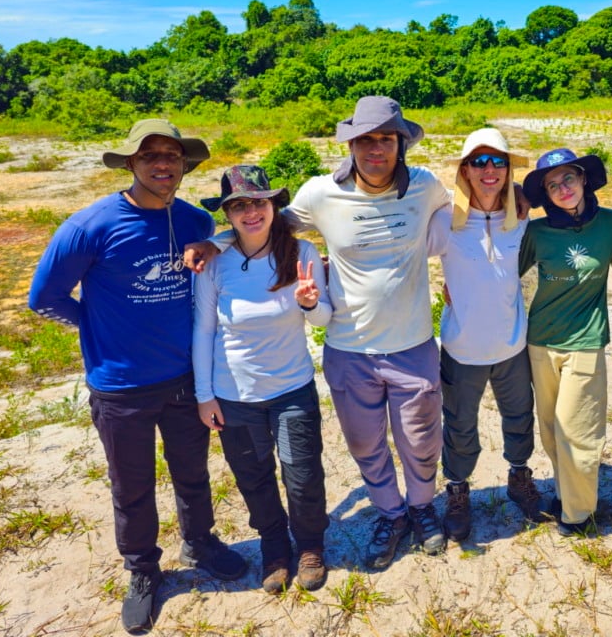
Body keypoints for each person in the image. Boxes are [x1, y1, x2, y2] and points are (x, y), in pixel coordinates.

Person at [185, 96, 451, 570]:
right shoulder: (320, 192)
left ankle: (423, 507)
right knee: (367, 445)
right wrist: (215, 240)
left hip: (413, 343)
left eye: (385, 138)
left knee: (422, 439)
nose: (375, 149)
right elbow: (261, 225)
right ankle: (391, 514)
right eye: (364, 139)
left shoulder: (427, 186)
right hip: (349, 348)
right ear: (349, 144)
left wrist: (459, 272)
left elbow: (463, 212)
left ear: (400, 143)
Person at [28, 119, 246, 634]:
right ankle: (143, 570)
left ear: (184, 164)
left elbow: (231, 233)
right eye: (150, 157)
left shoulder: (193, 221)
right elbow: (44, 298)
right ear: (130, 164)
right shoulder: (91, 226)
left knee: (192, 472)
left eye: (172, 155)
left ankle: (201, 541)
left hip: (184, 378)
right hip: (120, 384)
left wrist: (214, 242)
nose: (163, 164)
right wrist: (95, 327)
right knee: (132, 485)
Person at [192, 165, 332, 594]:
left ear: (273, 205)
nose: (251, 213)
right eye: (239, 206)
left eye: (258, 202)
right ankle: (274, 548)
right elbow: (203, 329)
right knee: (253, 477)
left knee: (303, 474)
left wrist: (310, 303)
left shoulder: (302, 253)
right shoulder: (216, 262)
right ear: (228, 214)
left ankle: (309, 546)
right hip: (234, 396)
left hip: (292, 389)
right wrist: (204, 396)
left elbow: (324, 318)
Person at [426, 128, 543, 542]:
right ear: (464, 170)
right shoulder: (444, 222)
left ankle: (519, 477)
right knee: (459, 426)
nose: (489, 169)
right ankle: (457, 491)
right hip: (461, 349)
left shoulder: (524, 218)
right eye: (479, 161)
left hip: (513, 345)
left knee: (519, 417)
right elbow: (397, 251)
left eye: (498, 161)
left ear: (509, 169)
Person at [518, 148, 612, 536]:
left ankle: (579, 515)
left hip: (586, 340)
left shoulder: (611, 224)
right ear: (545, 195)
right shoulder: (536, 231)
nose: (563, 188)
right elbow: (505, 273)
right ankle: (566, 494)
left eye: (569, 179)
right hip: (540, 341)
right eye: (552, 184)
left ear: (583, 180)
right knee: (548, 428)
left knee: (576, 431)